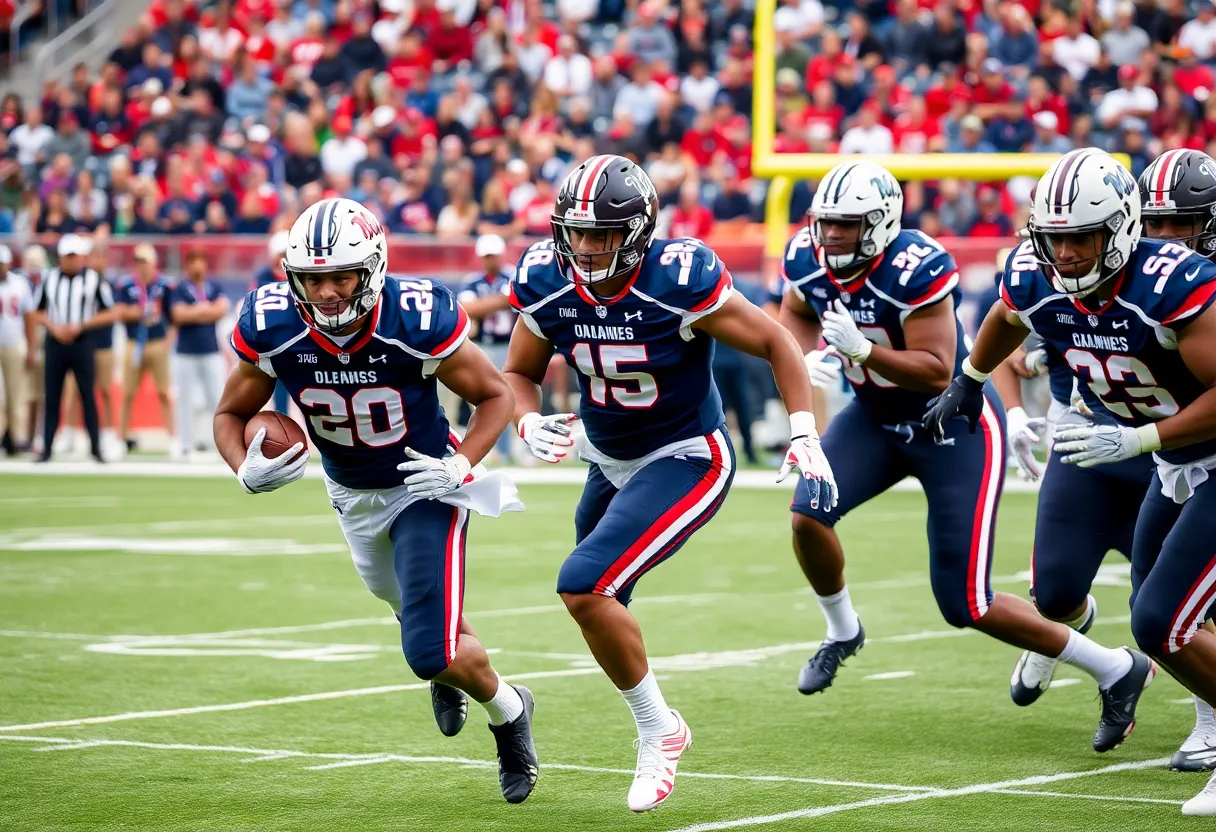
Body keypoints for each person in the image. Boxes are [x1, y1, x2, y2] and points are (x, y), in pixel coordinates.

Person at [786, 159, 1154, 754]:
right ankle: (842, 630)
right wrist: (804, 355)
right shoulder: (806, 256)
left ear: (880, 224)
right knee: (806, 514)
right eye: (825, 224)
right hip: (874, 421)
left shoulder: (916, 266)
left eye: (846, 226)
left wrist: (864, 352)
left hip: (949, 428)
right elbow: (797, 311)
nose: (829, 238)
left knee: (967, 604)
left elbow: (938, 372)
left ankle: (1115, 667)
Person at [503, 155, 834, 813]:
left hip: (687, 455)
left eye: (603, 234)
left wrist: (803, 432)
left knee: (584, 581)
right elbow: (519, 371)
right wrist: (525, 420)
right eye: (578, 233)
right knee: (598, 596)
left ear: (640, 229)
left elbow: (777, 341)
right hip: (607, 459)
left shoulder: (677, 278)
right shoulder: (546, 278)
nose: (588, 248)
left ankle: (661, 731)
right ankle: (653, 721)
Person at [213, 197, 539, 805]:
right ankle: (448, 661)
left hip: (425, 483)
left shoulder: (413, 317)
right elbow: (230, 413)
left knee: (429, 649)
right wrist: (243, 469)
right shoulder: (273, 323)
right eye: (313, 278)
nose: (329, 291)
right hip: (350, 492)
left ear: (373, 269)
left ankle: (509, 712)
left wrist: (460, 464)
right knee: (409, 611)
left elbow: (496, 396)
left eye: (341, 276)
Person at [923, 150, 1216, 807]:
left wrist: (1140, 437)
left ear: (1117, 230)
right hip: (1165, 459)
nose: (1067, 255)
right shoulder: (1037, 275)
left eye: (1081, 238)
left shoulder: (1171, 281)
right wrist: (970, 381)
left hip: (1185, 451)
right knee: (1153, 616)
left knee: (1167, 618)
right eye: (1054, 240)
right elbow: (1005, 314)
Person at [30, 234, 117, 463]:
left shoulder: (93, 279)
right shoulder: (49, 279)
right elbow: (37, 311)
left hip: (83, 342)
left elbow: (110, 312)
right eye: (69, 256)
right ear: (61, 258)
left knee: (88, 395)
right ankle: (47, 447)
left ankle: (96, 448)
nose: (73, 260)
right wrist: (54, 328)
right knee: (52, 396)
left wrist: (82, 325)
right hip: (55, 343)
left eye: (76, 256)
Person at [457, 234, 516, 461]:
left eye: (493, 255)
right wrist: (501, 301)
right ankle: (491, 451)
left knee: (508, 398)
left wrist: (485, 305)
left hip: (508, 345)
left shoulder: (512, 276)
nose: (490, 260)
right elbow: (467, 308)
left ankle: (509, 451)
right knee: (486, 400)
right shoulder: (475, 280)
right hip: (482, 345)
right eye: (486, 256)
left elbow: (519, 299)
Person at [115, 244, 175, 454]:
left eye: (145, 262)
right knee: (127, 393)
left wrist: (169, 338)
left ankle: (173, 438)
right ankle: (120, 437)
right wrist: (140, 312)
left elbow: (173, 315)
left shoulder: (164, 285)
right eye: (138, 261)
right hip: (134, 342)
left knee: (164, 392)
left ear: (154, 263)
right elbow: (120, 312)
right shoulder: (126, 284)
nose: (142, 266)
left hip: (157, 342)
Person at [170, 248, 229, 458]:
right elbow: (178, 314)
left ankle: (219, 442)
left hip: (211, 349)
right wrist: (206, 310)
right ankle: (185, 442)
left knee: (217, 397)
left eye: (200, 261)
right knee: (184, 398)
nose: (197, 266)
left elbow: (222, 309)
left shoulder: (214, 286)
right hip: (185, 351)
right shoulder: (179, 288)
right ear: (187, 266)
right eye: (193, 262)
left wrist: (195, 311)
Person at [253, 229, 292, 416]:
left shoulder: (301, 273)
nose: (284, 259)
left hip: (302, 339)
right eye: (281, 254)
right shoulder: (264, 277)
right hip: (276, 343)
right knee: (280, 396)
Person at [0, 245, 33, 455]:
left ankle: (16, 437)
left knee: (16, 393)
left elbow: (29, 317)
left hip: (13, 343)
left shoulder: (19, 284)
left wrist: (31, 347)